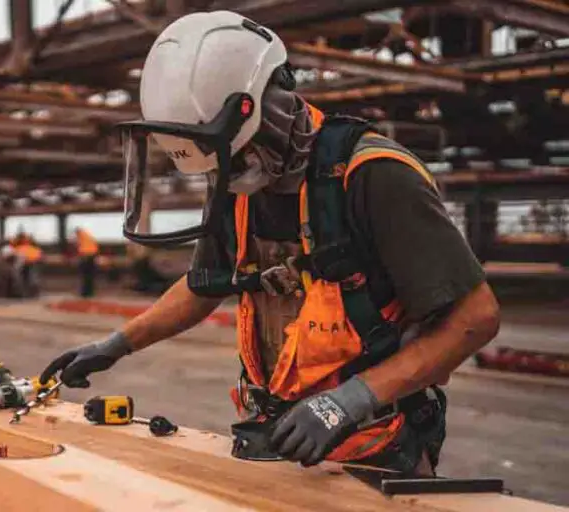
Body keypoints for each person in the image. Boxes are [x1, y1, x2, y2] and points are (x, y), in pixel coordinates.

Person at [39, 11, 499, 476]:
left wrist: (349, 401)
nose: (228, 172)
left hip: (376, 445)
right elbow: (204, 285)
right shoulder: (235, 179)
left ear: (267, 110)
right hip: (275, 438)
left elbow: (476, 318)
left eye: (234, 156)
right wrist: (117, 343)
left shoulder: (373, 176)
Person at [73, 227, 99, 297]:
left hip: (87, 258)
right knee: (88, 277)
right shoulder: (87, 237)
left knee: (86, 277)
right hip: (90, 258)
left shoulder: (82, 237)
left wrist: (81, 257)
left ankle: (86, 293)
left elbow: (82, 250)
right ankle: (89, 292)